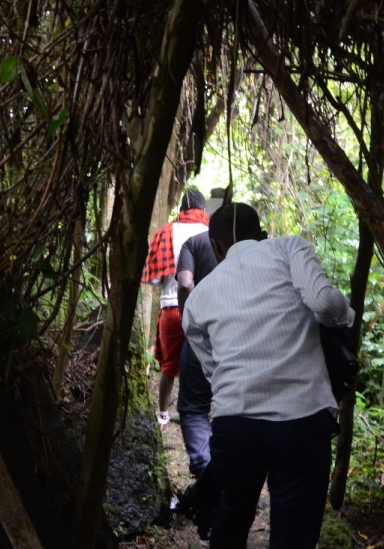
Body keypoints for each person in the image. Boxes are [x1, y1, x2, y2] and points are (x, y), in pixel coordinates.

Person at [182, 203, 354, 548]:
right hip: (302, 421)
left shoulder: (198, 298)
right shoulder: (289, 247)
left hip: (237, 427)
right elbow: (324, 305)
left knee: (231, 521)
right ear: (262, 236)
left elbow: (214, 371)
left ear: (216, 248)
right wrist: (346, 315)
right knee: (294, 536)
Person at [141, 188, 209, 429]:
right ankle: (198, 414)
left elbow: (154, 279)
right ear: (202, 209)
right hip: (203, 310)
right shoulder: (210, 233)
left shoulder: (166, 232)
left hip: (171, 308)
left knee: (168, 367)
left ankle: (162, 416)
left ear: (181, 209)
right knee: (204, 364)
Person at [172, 229, 220, 539]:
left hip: (203, 330)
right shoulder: (258, 248)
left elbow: (185, 282)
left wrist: (189, 318)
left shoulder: (194, 243)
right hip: (246, 335)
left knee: (192, 407)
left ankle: (206, 468)